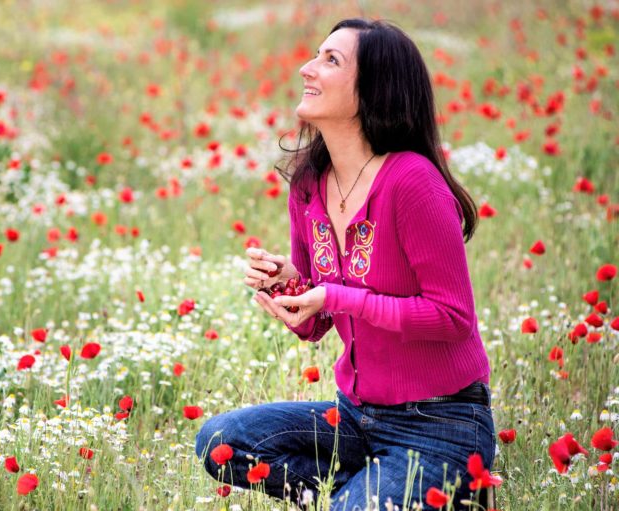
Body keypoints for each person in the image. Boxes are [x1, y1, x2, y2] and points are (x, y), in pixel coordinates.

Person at [195, 18, 495, 510]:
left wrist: (333, 294)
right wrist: (290, 287)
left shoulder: (412, 183)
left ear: (374, 89)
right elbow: (320, 323)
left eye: (330, 60)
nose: (307, 68)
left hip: (441, 426)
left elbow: (453, 318)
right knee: (220, 442)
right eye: (316, 55)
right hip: (356, 419)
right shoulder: (309, 183)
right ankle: (364, 494)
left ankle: (388, 494)